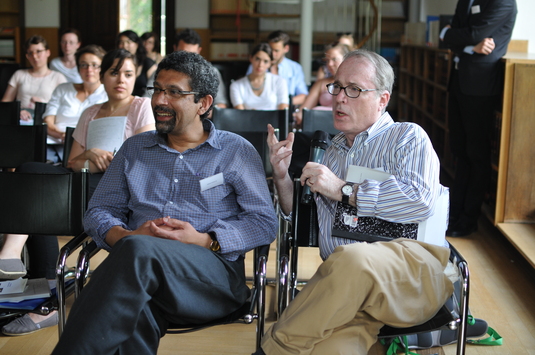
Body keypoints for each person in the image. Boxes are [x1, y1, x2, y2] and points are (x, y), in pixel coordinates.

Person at [50, 50, 278, 354]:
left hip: (212, 279)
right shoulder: (134, 149)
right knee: (134, 310)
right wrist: (126, 236)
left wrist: (206, 240)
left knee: (135, 257)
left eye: (173, 92)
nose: (159, 100)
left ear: (204, 104)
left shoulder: (235, 151)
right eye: (157, 89)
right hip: (139, 274)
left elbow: (264, 223)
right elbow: (99, 211)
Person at [254, 49, 454, 355]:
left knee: (352, 257)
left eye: (354, 90)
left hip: (410, 275)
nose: (339, 98)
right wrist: (282, 176)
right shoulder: (331, 152)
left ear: (383, 99)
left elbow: (420, 200)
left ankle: (269, 350)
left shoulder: (407, 137)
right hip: (348, 290)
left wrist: (344, 189)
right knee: (326, 350)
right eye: (337, 86)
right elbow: (305, 219)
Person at [0, 48, 155, 337]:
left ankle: (41, 293)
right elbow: (72, 162)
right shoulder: (91, 112)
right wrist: (91, 153)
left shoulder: (141, 106)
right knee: (30, 169)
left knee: (44, 198)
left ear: (135, 78)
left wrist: (112, 158)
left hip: (118, 187)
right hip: (84, 178)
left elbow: (144, 159)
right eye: (114, 72)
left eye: (128, 74)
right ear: (103, 75)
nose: (120, 79)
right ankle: (25, 270)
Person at [440, 0, 517, 237]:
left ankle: (468, 219)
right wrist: (467, 45)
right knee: (460, 152)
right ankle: (453, 216)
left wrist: (454, 36)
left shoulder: (504, 3)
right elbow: (448, 34)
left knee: (477, 155)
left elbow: (474, 33)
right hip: (459, 82)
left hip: (481, 87)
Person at [44, 44, 108, 163]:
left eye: (95, 65)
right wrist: (61, 135)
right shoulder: (62, 89)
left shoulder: (107, 93)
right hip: (55, 142)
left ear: (102, 68)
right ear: (78, 68)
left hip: (89, 147)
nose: (89, 70)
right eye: (84, 65)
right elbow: (47, 121)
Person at [1, 35, 66, 122]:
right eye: (30, 53)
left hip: (46, 119)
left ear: (48, 52)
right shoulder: (19, 74)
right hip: (21, 120)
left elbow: (64, 107)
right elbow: (5, 103)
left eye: (38, 51)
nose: (34, 56)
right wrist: (17, 111)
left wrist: (43, 105)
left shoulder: (58, 77)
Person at [294, 42, 350, 127]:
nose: (330, 64)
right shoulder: (321, 83)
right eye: (327, 61)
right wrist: (297, 116)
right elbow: (304, 110)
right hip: (322, 126)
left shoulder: (354, 83)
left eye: (334, 59)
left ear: (346, 60)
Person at [246, 30, 308, 106]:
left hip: (286, 109)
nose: (272, 54)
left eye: (276, 50)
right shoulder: (257, 66)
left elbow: (303, 96)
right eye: (270, 49)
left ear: (286, 49)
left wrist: (281, 103)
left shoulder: (295, 68)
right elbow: (247, 91)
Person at [173, 28, 228, 109]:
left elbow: (221, 105)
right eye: (183, 54)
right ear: (175, 49)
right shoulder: (164, 71)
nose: (188, 59)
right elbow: (149, 98)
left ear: (199, 51)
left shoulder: (211, 72)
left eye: (193, 54)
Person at [230, 43, 289, 111]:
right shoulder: (236, 85)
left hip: (273, 122)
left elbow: (283, 112)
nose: (260, 65)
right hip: (247, 121)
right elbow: (240, 115)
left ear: (271, 63)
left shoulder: (279, 82)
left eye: (265, 61)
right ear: (251, 58)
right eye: (257, 59)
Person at [117, 30, 157, 97]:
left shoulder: (148, 63)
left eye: (128, 42)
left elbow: (155, 87)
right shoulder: (115, 63)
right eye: (121, 42)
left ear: (137, 44)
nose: (124, 46)